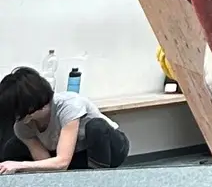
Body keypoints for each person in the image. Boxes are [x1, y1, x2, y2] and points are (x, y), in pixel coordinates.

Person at [0, 66, 130, 174]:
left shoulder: (69, 105)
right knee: (12, 147)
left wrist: (20, 165)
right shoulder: (22, 125)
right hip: (78, 155)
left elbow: (62, 162)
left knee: (96, 127)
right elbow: (47, 163)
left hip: (110, 148)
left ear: (30, 107)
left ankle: (99, 178)